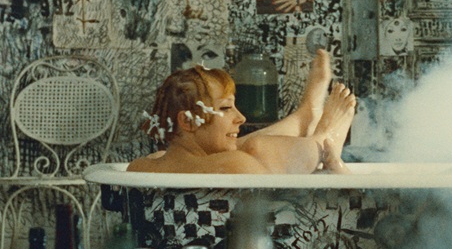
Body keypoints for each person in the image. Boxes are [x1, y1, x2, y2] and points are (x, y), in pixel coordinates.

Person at [127, 49, 355, 174]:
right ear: (187, 121)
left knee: (239, 146)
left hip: (180, 157)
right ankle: (323, 140)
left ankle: (305, 115)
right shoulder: (236, 165)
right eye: (226, 108)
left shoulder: (140, 167)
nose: (241, 118)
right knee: (258, 148)